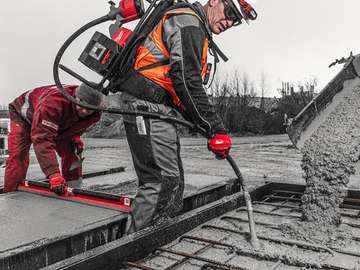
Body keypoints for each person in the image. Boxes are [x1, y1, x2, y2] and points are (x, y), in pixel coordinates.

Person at [116, 0, 257, 233]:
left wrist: (203, 126)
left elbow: (180, 88)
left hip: (158, 109)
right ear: (213, 1)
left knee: (170, 181)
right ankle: (133, 247)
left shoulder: (195, 26)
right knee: (160, 182)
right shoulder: (189, 23)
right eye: (229, 12)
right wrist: (216, 129)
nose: (229, 22)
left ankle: (155, 239)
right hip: (147, 106)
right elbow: (187, 80)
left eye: (235, 21)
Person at [4, 84, 104, 194]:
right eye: (82, 104)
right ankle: (11, 193)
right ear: (75, 97)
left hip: (57, 121)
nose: (85, 111)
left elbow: (74, 131)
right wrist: (53, 174)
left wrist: (73, 144)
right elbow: (42, 139)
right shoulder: (53, 103)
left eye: (89, 109)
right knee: (18, 155)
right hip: (23, 116)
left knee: (73, 150)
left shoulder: (95, 114)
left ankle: (74, 189)